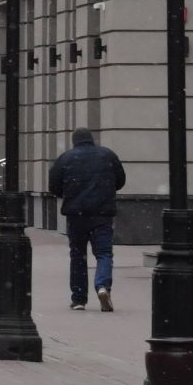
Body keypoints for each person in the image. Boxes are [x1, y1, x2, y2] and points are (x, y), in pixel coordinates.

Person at [48, 126, 127, 311]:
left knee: (78, 256)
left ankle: (79, 299)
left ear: (74, 141)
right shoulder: (107, 155)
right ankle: (102, 286)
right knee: (104, 253)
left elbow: (54, 186)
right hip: (102, 214)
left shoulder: (66, 158)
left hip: (76, 216)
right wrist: (105, 191)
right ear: (92, 139)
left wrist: (69, 194)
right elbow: (121, 180)